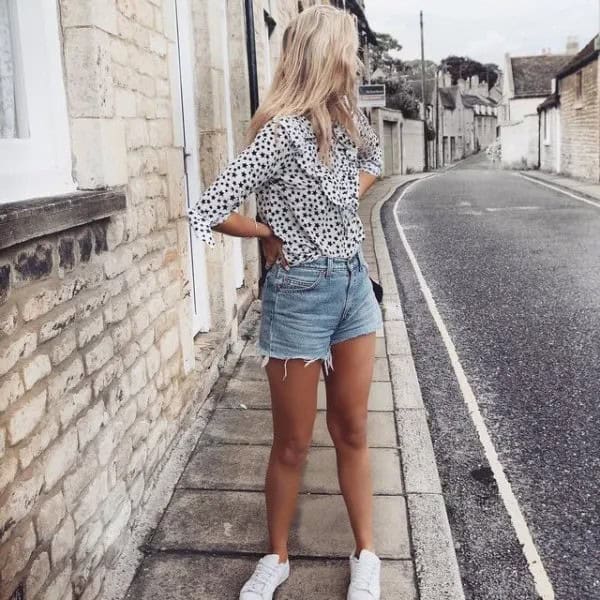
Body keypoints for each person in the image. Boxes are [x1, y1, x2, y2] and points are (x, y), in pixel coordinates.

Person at [187, 5, 384, 599]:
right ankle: (276, 558)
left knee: (352, 430)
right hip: (298, 298)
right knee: (293, 443)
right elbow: (208, 208)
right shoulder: (279, 132)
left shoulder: (349, 121)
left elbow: (374, 163)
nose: (356, 58)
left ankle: (366, 554)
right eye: (349, 48)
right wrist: (268, 235)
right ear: (324, 54)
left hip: (354, 289)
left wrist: (348, 196)